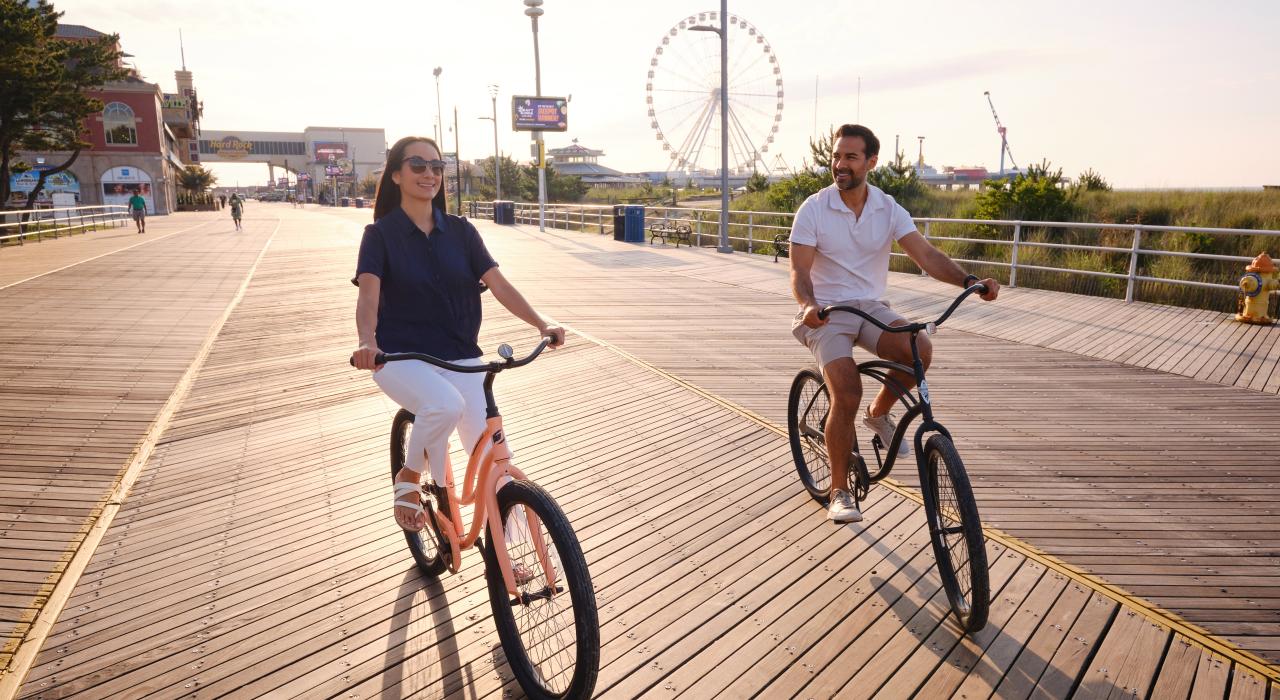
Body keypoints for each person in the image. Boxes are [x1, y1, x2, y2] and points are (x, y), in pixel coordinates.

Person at [350, 136, 565, 532]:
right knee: (444, 405)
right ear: (396, 174)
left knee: (494, 455)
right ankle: (409, 478)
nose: (429, 174)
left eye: (437, 167)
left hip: (462, 356)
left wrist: (541, 323)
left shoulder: (463, 233)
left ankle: (511, 560)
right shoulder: (379, 236)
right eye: (418, 165)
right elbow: (368, 297)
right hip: (401, 357)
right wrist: (368, 342)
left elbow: (499, 285)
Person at [789, 124, 1000, 524]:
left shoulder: (887, 208)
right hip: (827, 314)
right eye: (837, 156)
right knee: (845, 391)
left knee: (919, 348)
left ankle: (877, 414)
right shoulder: (813, 208)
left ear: (871, 162)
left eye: (850, 157)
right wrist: (808, 305)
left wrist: (969, 281)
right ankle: (839, 490)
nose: (840, 164)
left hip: (870, 307)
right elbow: (799, 272)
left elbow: (926, 255)